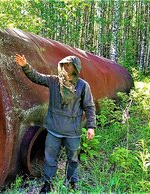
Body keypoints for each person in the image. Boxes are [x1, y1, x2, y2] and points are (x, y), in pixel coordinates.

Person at [14, 54, 96, 193]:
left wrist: (91, 127)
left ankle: (72, 183)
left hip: (73, 132)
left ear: (75, 68)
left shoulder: (83, 86)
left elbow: (89, 106)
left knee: (73, 159)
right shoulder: (54, 81)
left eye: (68, 65)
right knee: (50, 159)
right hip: (53, 130)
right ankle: (47, 184)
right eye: (63, 65)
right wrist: (25, 66)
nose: (64, 68)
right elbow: (37, 77)